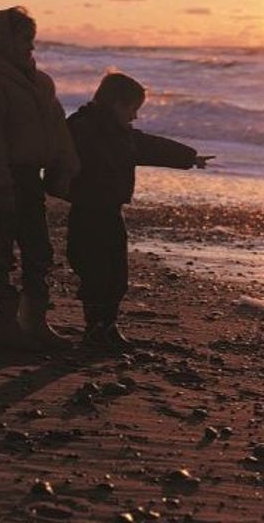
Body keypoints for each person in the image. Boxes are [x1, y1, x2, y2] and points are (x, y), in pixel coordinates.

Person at [0, 7, 78, 350]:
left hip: (30, 180)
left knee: (39, 251)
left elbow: (58, 131)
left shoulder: (41, 83)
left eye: (31, 40)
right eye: (24, 40)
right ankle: (5, 324)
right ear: (2, 42)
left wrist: (64, 169)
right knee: (0, 254)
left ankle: (35, 322)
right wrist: (0, 185)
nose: (30, 48)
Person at [66, 72, 210, 347]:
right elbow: (58, 157)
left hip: (111, 210)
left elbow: (151, 147)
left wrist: (189, 157)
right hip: (87, 212)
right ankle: (95, 328)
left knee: (117, 275)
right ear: (116, 105)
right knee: (94, 272)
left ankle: (108, 326)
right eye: (132, 110)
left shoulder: (120, 134)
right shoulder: (81, 128)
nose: (134, 117)